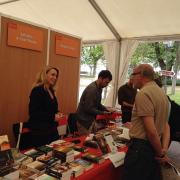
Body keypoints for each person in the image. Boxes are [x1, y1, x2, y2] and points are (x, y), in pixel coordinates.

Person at [122, 64, 170, 180]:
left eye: (133, 74)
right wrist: (162, 149)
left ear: (141, 75)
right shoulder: (161, 93)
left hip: (141, 150)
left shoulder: (143, 93)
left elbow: (151, 132)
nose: (132, 78)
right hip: (152, 147)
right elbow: (164, 125)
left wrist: (161, 154)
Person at [28, 66, 62, 147]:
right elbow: (33, 113)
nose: (55, 77)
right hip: (40, 132)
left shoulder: (51, 90)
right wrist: (53, 116)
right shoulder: (37, 90)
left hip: (52, 130)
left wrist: (58, 113)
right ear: (45, 75)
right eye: (52, 75)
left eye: (56, 76)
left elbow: (51, 109)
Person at [76, 70, 113, 135]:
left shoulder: (99, 88)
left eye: (108, 83)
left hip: (90, 120)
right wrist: (103, 113)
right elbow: (88, 108)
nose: (106, 85)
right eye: (106, 82)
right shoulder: (92, 89)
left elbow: (98, 104)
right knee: (86, 142)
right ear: (100, 78)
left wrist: (106, 109)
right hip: (83, 121)